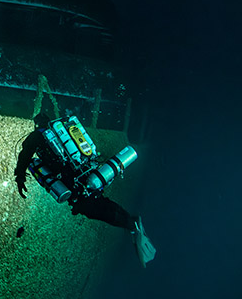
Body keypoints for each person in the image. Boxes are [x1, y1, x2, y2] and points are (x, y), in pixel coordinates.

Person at [14, 113, 156, 267]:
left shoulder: (36, 136)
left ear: (37, 124)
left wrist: (20, 177)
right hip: (89, 171)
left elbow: (24, 156)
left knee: (93, 210)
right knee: (100, 201)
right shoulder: (62, 131)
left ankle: (130, 224)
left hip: (72, 181)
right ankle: (131, 221)